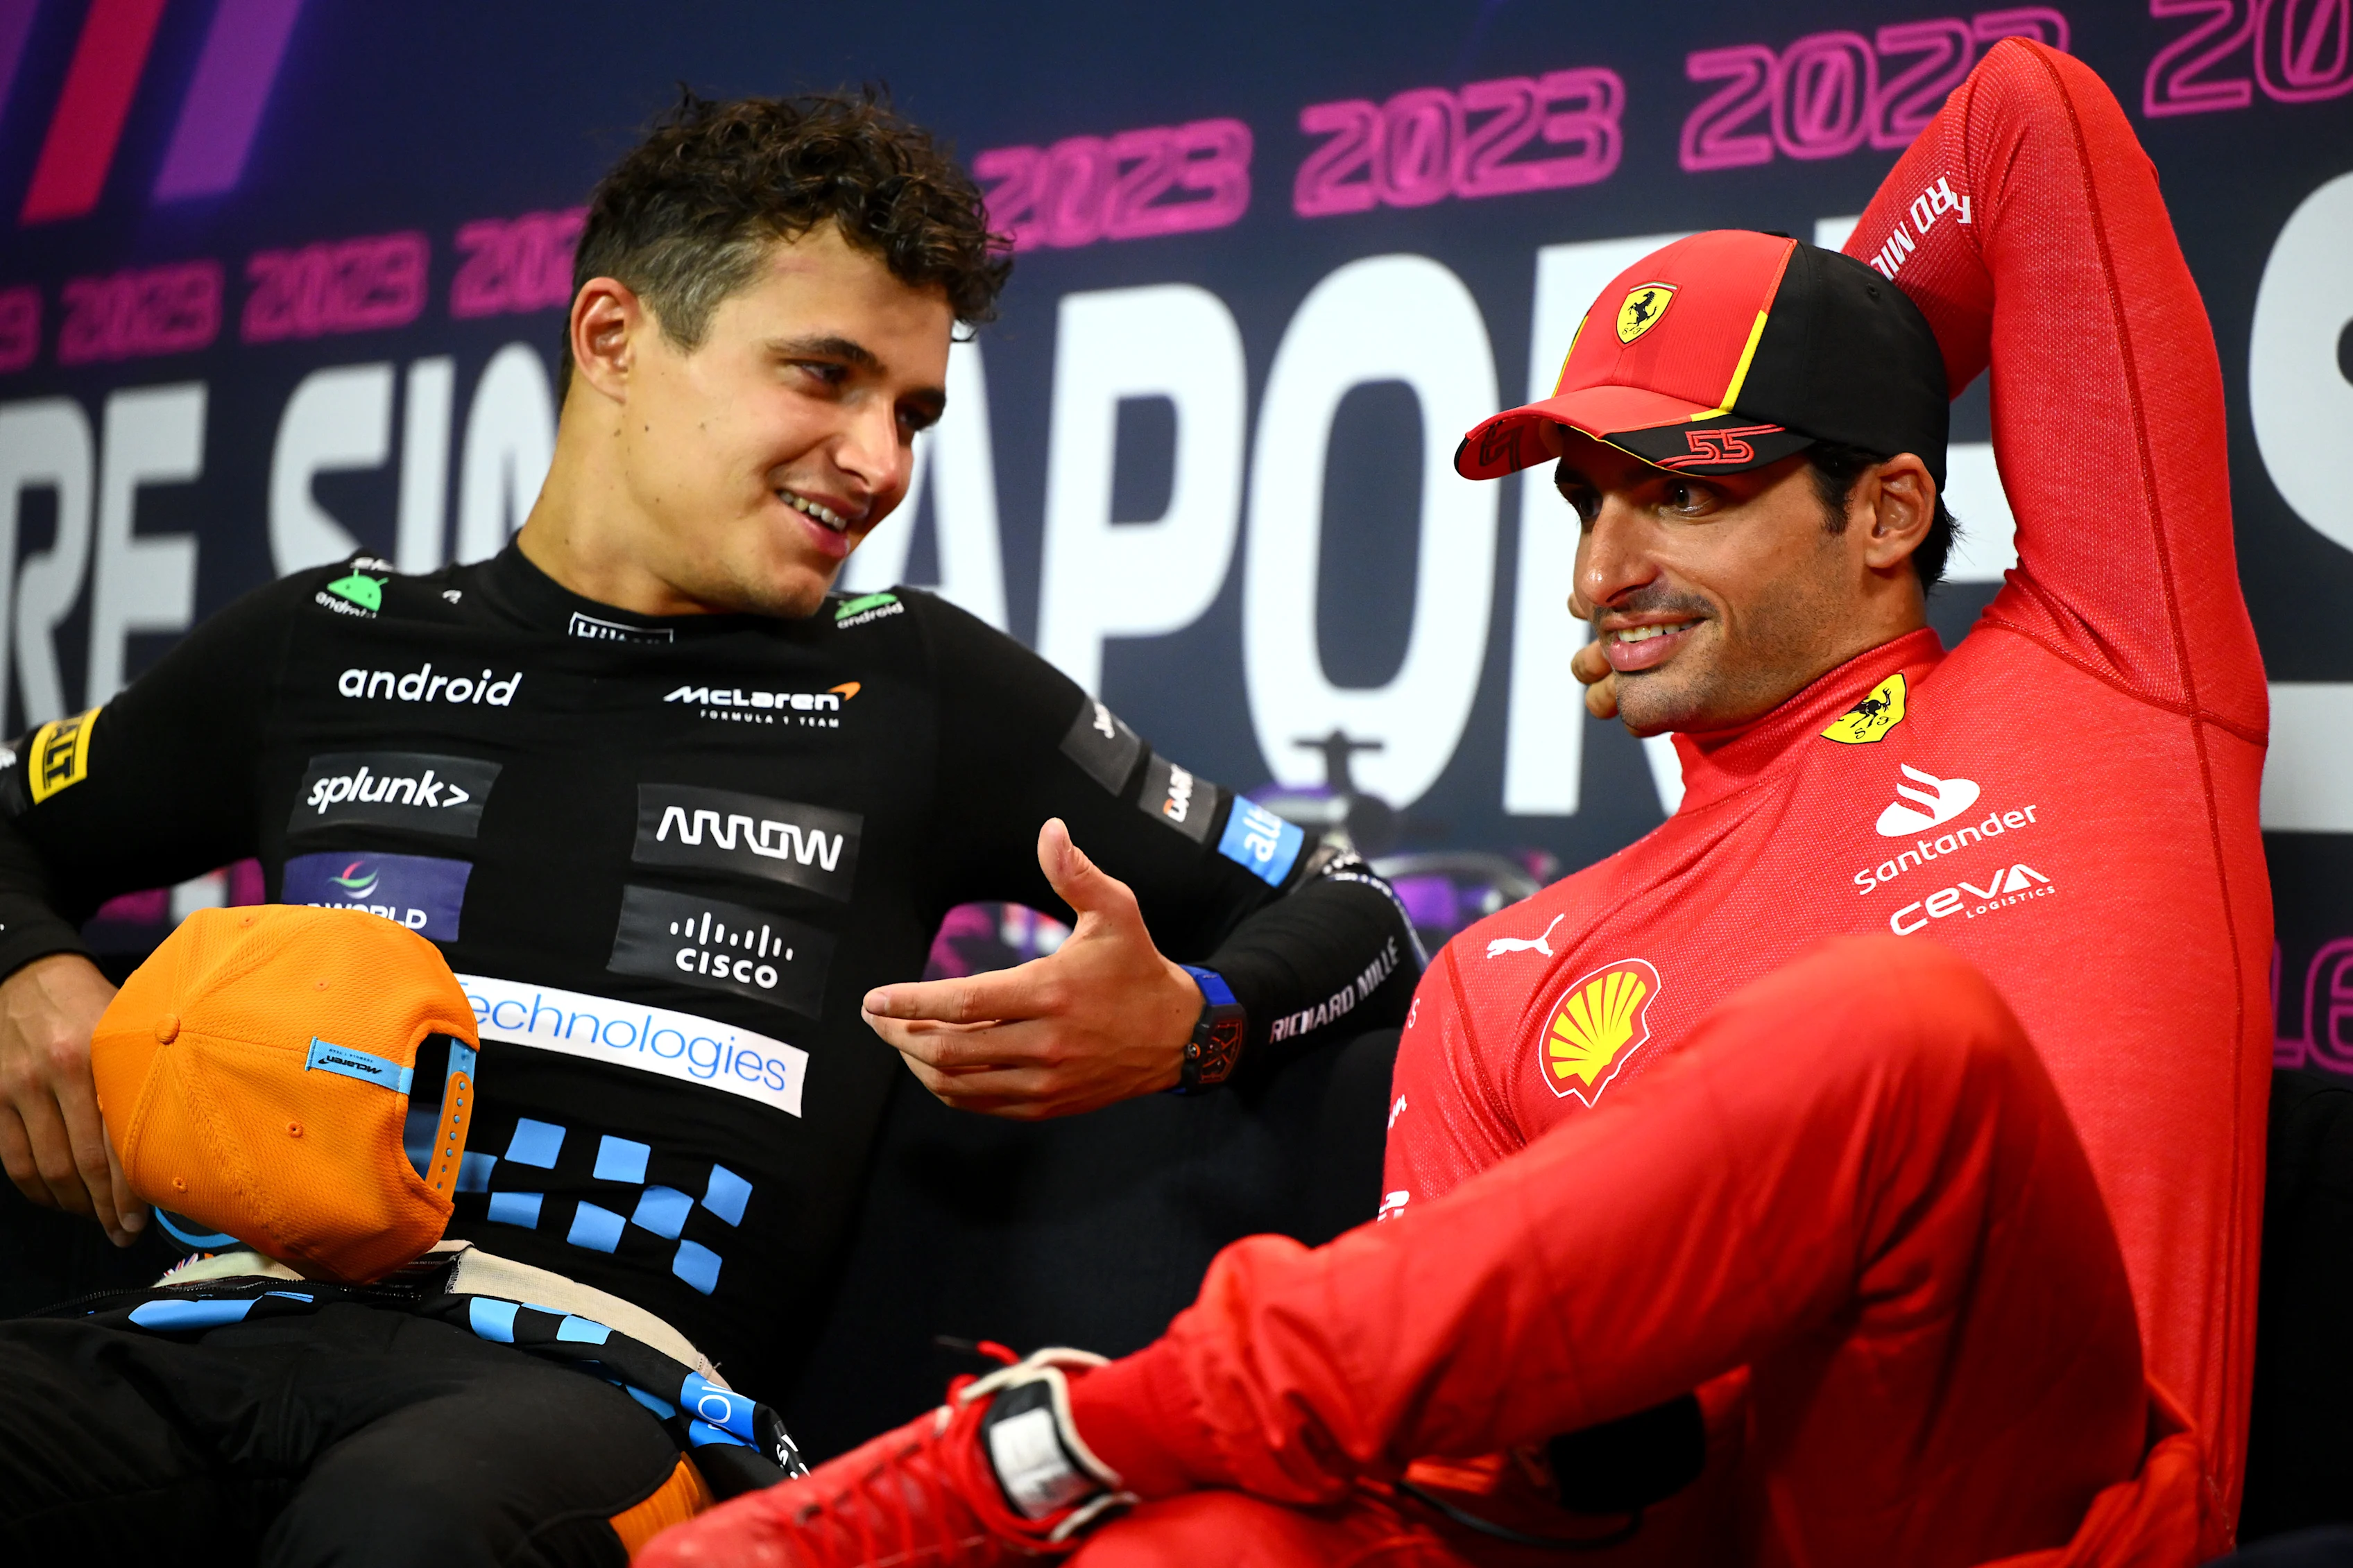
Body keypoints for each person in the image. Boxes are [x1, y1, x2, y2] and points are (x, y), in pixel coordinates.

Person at [635, 37, 2266, 1565]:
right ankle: (1069, 1470)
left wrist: (1853, 363)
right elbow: (1475, 1471)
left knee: (1900, 1029)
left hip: (2013, 1499)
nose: (1605, 569)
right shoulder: (1510, 973)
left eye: (1685, 491)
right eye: (1588, 502)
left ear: (1892, 509)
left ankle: (1033, 1445)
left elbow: (2026, 118)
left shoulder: (2113, 674)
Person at [0, 89, 1417, 1414]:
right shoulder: (320, 641)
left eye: (911, 411)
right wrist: (24, 963)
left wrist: (1200, 1020)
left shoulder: (918, 684)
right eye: (825, 375)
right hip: (223, 1334)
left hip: (601, 1407)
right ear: (612, 336)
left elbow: (1354, 907)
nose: (881, 462)